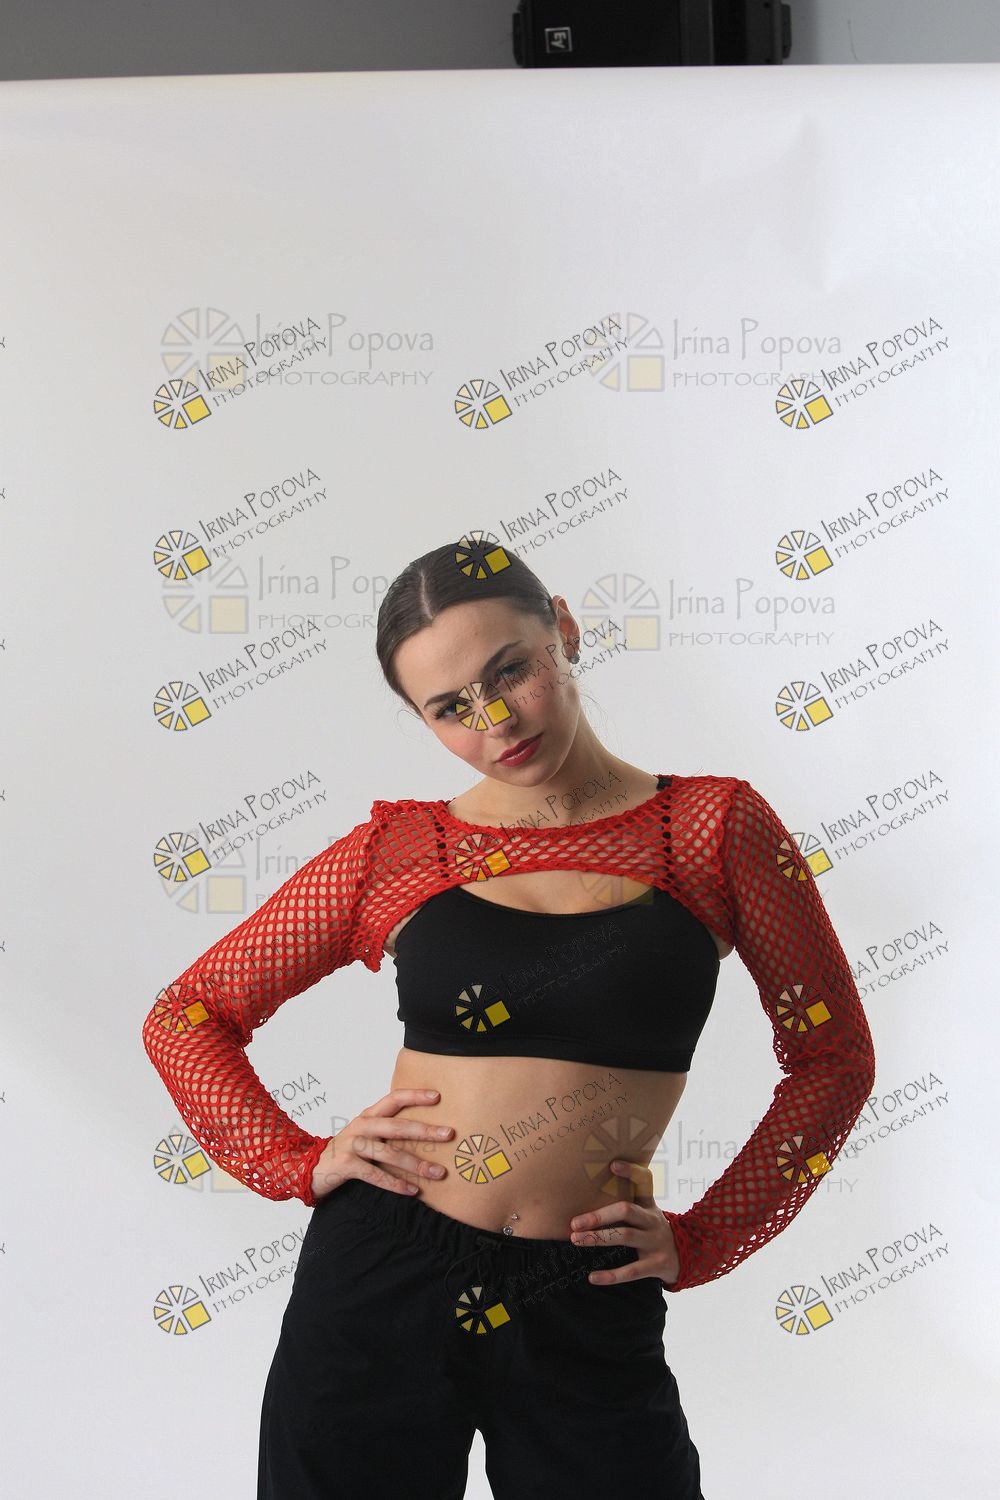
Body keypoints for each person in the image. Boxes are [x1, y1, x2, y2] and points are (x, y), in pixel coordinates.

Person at [141, 537, 876, 1500]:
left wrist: (704, 1237)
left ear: (562, 630)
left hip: (587, 1289)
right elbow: (187, 1014)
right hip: (379, 1276)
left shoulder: (711, 828)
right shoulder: (401, 848)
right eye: (450, 708)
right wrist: (295, 1160)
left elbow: (833, 1058)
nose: (494, 721)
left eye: (509, 672)